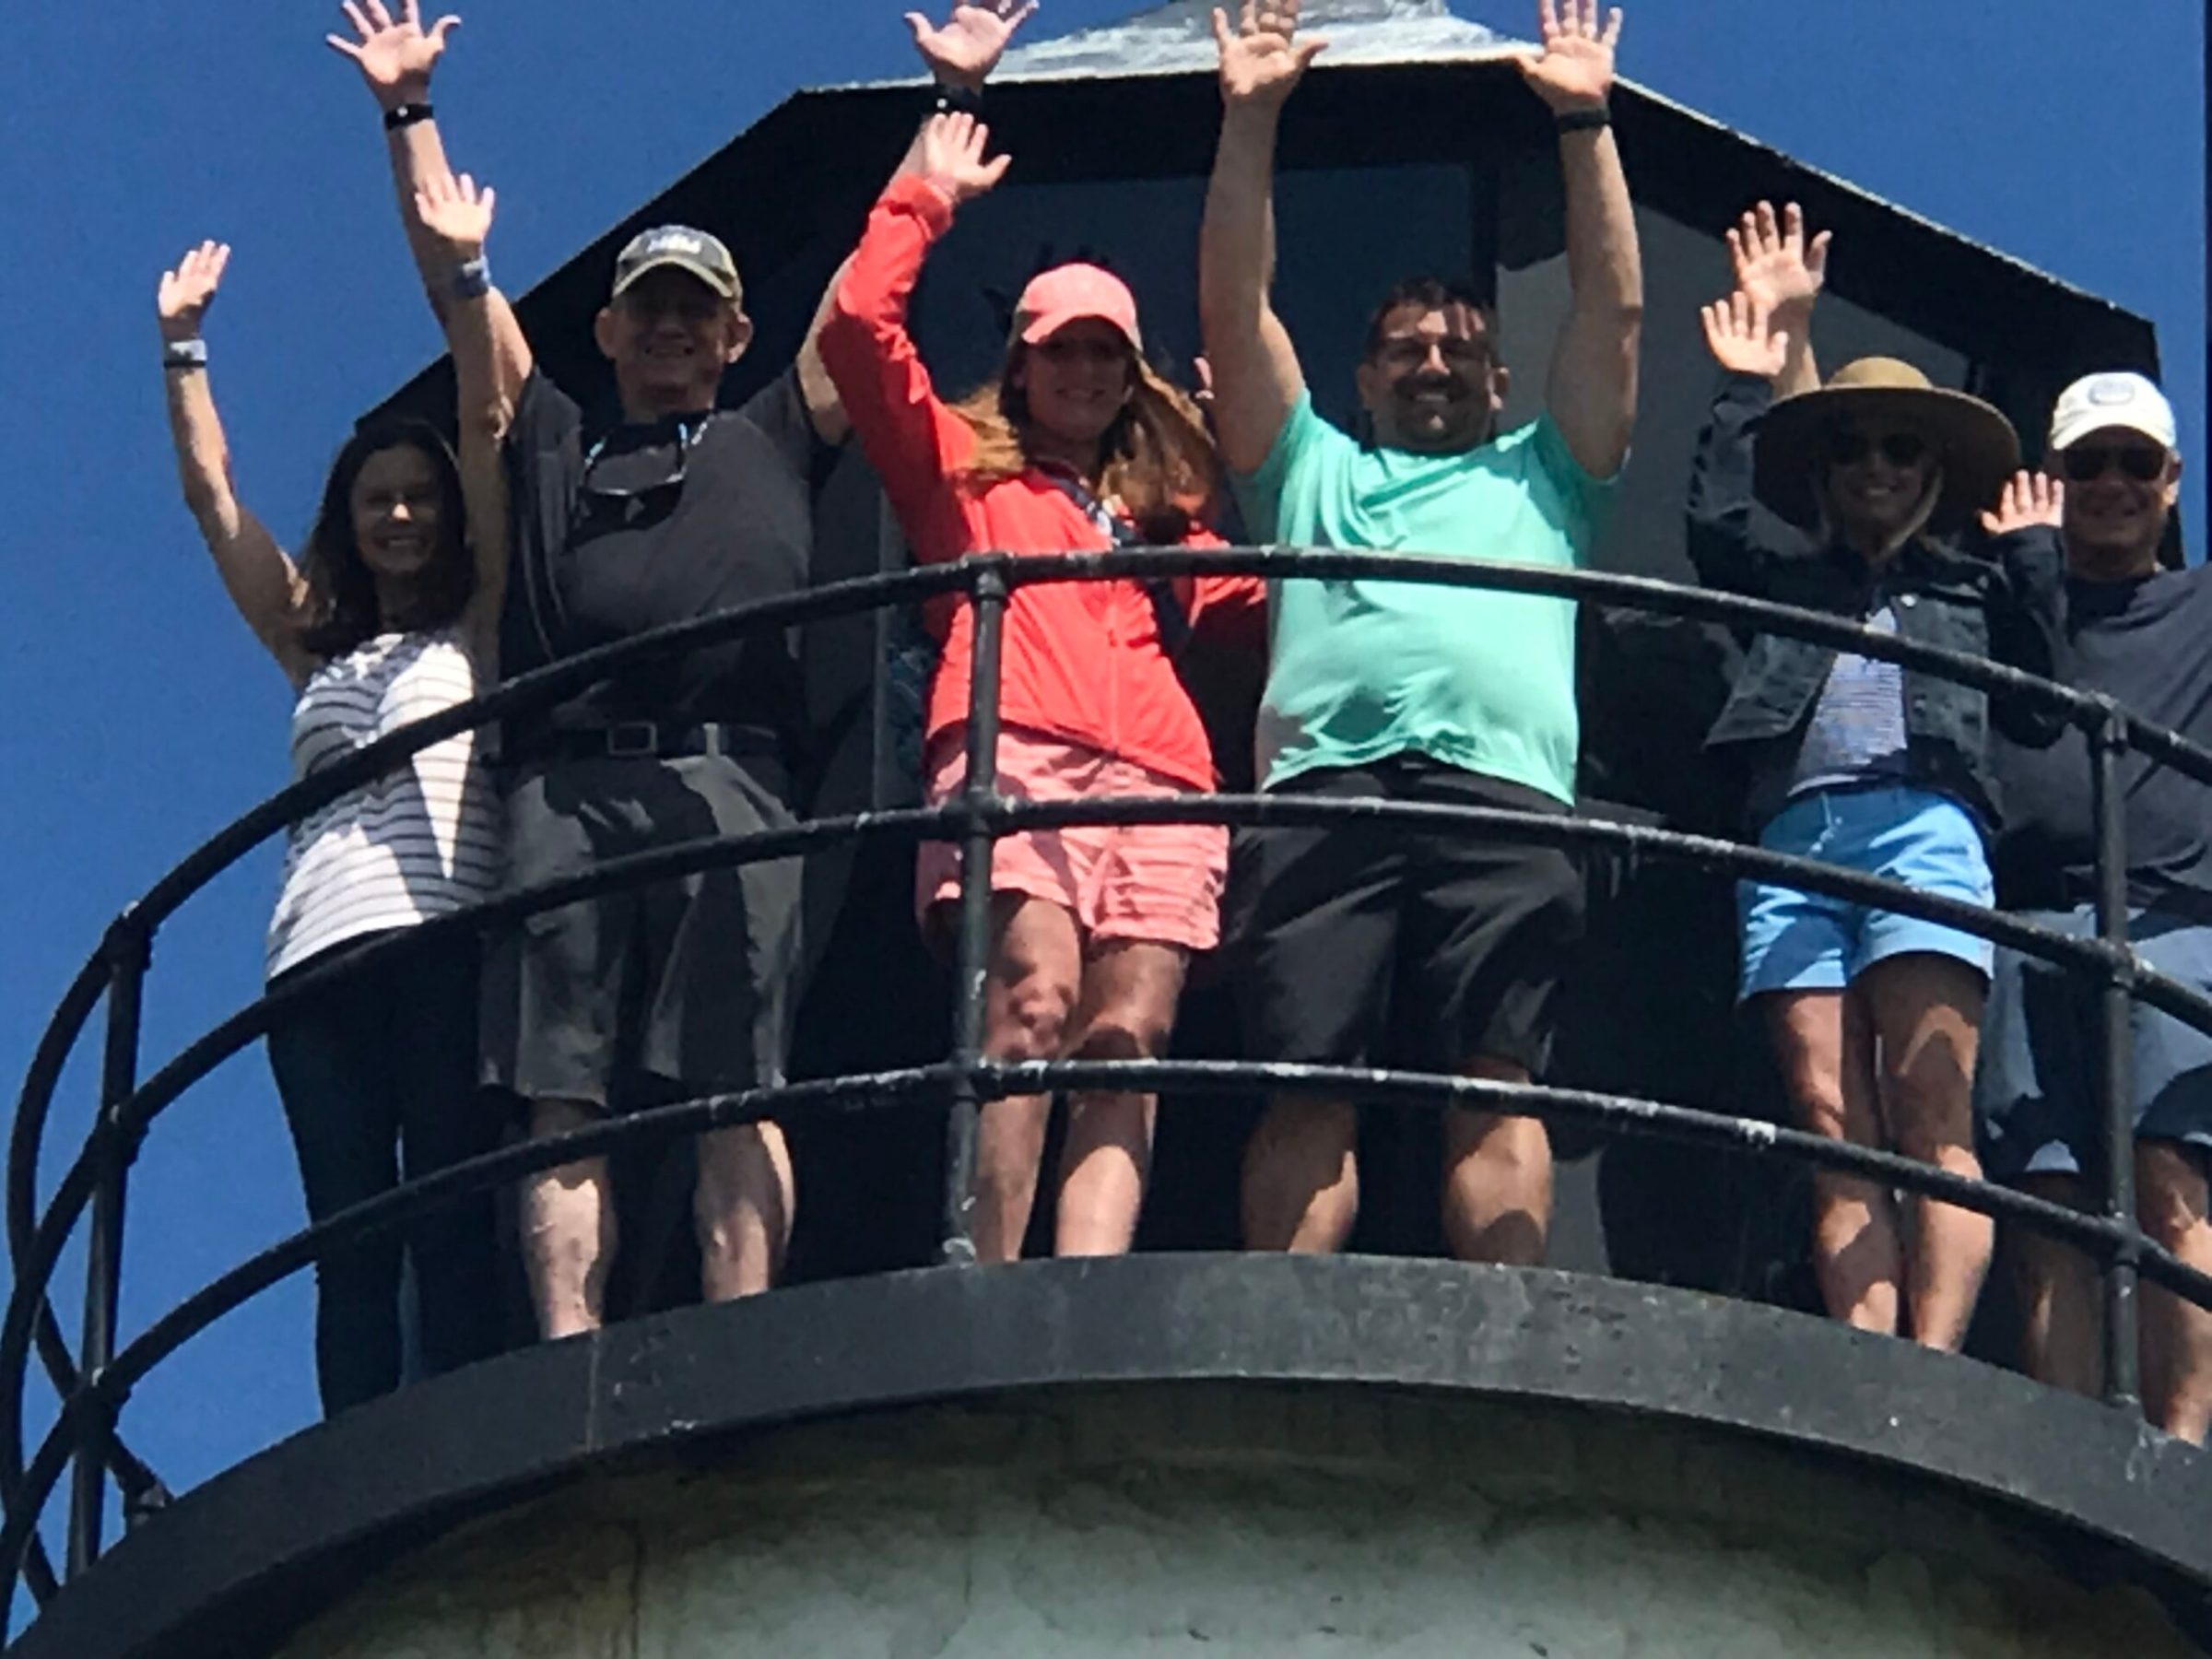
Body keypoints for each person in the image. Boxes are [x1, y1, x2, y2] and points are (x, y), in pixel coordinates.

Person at [327, 1, 1031, 1333]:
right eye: (648, 308)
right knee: (561, 1089)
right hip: (564, 793)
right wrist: (407, 113)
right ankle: (569, 1344)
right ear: (606, 332)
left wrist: (951, 106)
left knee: (738, 1084)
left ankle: (741, 1325)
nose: (671, 329)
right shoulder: (551, 440)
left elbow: (858, 298)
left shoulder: (776, 429)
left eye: (695, 312)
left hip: (734, 781)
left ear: (732, 334)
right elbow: (459, 288)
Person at [1197, 0, 1641, 1263]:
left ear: (1501, 380)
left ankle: (1509, 1337)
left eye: (1459, 349)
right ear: (1364, 378)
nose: (1433, 364)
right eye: (1404, 350)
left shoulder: (1552, 476)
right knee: (1306, 1081)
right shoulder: (1307, 470)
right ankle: (1280, 1328)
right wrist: (1249, 120)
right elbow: (1234, 310)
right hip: (1323, 792)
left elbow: (1612, 318)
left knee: (1497, 1079)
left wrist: (1584, 123)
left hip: (1505, 796)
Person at [820, 110, 1264, 1261]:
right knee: (1030, 1004)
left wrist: (1252, 456)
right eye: (1062, 349)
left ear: (1132, 377)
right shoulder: (959, 476)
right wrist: (924, 200)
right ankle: (991, 1281)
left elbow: (1261, 608)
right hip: (1016, 751)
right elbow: (858, 331)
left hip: (1166, 783)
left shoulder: (1171, 520)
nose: (1084, 371)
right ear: (1020, 363)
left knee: (1130, 1038)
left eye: (1106, 353)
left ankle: (1087, 1287)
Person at [1689, 210, 2061, 1350]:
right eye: (1852, 449)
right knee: (1829, 1118)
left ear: (1934, 473)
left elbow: (2043, 694)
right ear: (1827, 471)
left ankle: (1931, 1361)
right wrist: (1746, 387)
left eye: (1902, 449)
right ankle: (1866, 1351)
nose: (1877, 468)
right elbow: (1715, 529)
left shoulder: (1975, 590)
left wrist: (2034, 553)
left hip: (1926, 831)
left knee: (1929, 1106)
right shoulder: (1793, 580)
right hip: (1793, 843)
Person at [156, 211, 507, 1413]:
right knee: (349, 1232)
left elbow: (489, 425)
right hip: (315, 952)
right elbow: (213, 503)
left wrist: (466, 277)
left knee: (450, 1200)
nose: (399, 517)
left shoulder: (479, 625)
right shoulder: (318, 646)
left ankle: (460, 1429)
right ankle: (356, 1438)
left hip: (444, 929)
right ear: (348, 520)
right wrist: (183, 349)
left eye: (418, 498)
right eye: (376, 501)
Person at [1975, 372, 2212, 1441]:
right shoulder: (2005, 601)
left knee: (2173, 1172)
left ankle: (2183, 1448)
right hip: (2029, 921)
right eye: (2087, 463)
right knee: (2048, 1195)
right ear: (2052, 477)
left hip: (2176, 921)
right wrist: (2027, 570)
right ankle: (2067, 1447)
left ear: (2173, 480)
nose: (2112, 483)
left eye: (2135, 462)